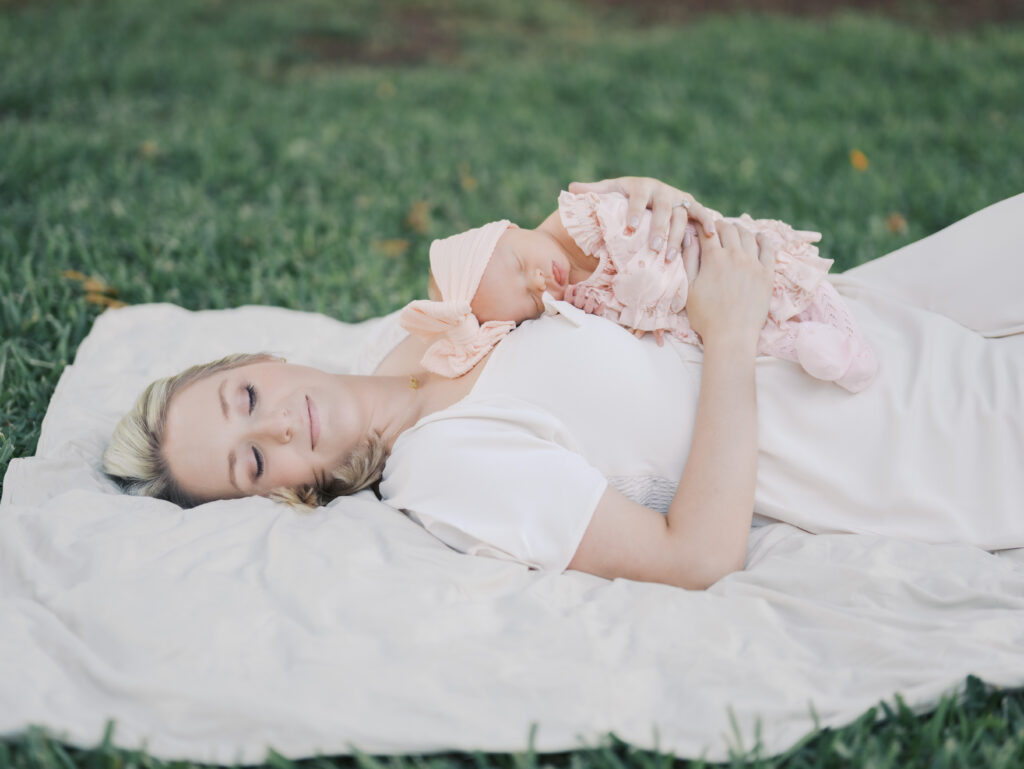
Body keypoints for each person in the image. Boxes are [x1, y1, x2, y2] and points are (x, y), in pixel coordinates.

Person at [102, 177, 1024, 590]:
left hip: (869, 306)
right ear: (287, 492)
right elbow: (694, 556)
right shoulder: (446, 470)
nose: (276, 429)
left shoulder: (412, 333)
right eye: (251, 462)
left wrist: (637, 202)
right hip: (884, 426)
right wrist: (729, 334)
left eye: (244, 402)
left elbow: (565, 260)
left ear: (257, 364)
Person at [399, 191, 877, 391]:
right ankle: (810, 346)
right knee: (756, 333)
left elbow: (659, 211)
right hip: (698, 310)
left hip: (708, 251)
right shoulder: (570, 305)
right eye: (529, 299)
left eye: (522, 265)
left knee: (787, 272)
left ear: (507, 227)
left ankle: (844, 335)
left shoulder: (582, 217)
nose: (541, 282)